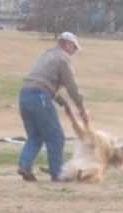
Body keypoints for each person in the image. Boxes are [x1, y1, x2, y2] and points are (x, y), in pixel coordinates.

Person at [17, 31, 89, 182]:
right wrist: (82, 108)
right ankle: (58, 174)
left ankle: (24, 165)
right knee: (56, 137)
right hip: (40, 98)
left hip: (24, 96)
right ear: (67, 44)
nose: (74, 51)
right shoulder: (63, 58)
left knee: (35, 136)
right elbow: (72, 86)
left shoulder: (47, 54)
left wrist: (63, 103)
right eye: (74, 47)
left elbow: (43, 82)